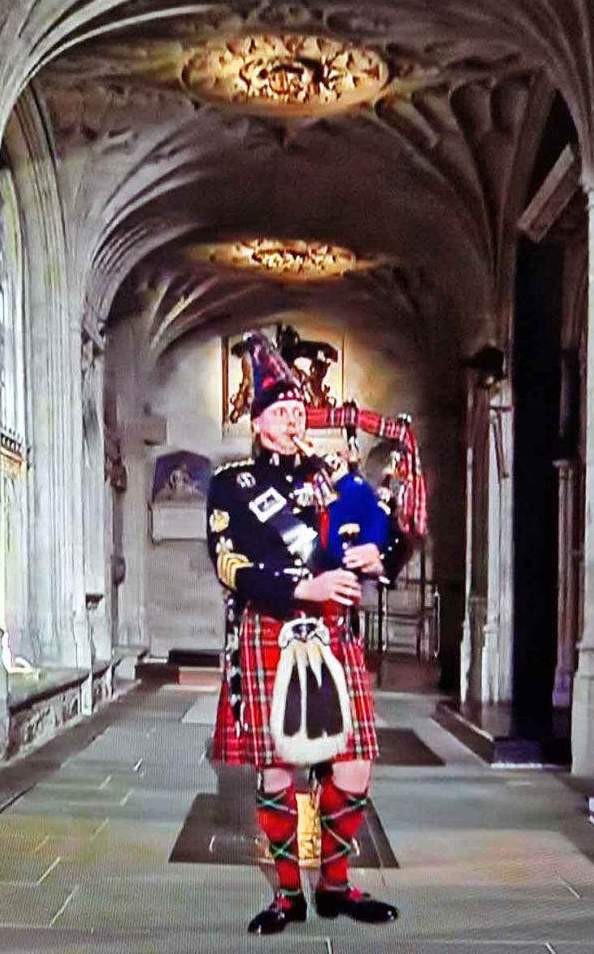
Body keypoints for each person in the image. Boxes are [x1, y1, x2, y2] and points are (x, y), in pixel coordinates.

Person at [206, 332, 405, 936]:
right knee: (278, 772)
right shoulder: (233, 483)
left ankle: (336, 886)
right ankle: (289, 894)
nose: (293, 420)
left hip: (334, 635)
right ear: (259, 423)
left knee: (353, 768)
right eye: (280, 412)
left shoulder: (332, 475)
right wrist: (302, 589)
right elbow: (227, 564)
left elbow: (385, 531)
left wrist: (380, 552)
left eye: (298, 411)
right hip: (271, 628)